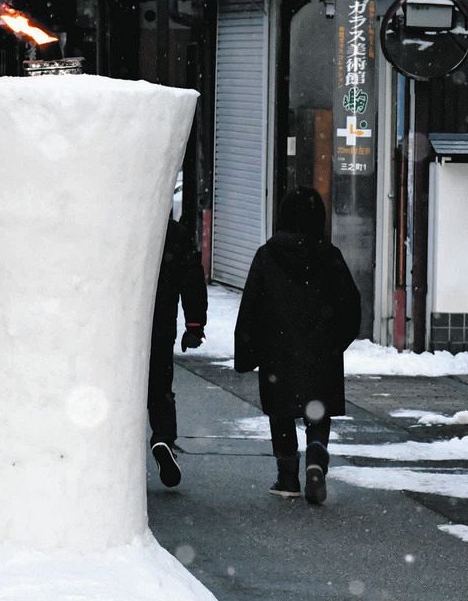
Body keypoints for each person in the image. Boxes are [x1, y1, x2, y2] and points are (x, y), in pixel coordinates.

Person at [234, 187, 361, 505]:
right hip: (321, 353)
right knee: (317, 410)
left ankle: (287, 476)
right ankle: (316, 457)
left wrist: (249, 348)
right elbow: (351, 306)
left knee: (281, 412)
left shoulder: (267, 255)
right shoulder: (330, 256)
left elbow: (251, 306)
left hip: (277, 352)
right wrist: (335, 342)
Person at [147, 217, 208, 487]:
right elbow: (192, 280)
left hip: (122, 327)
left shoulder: (122, 223)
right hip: (160, 324)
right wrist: (194, 325)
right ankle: (163, 438)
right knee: (160, 387)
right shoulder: (172, 232)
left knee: (120, 390)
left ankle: (116, 446)